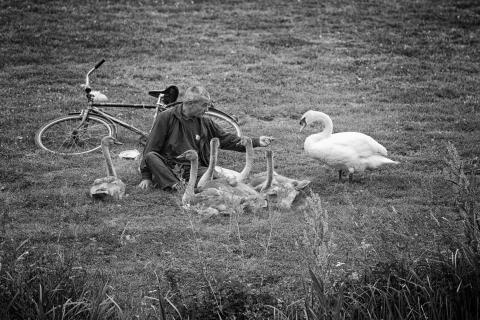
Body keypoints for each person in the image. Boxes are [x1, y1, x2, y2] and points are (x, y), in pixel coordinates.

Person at [138, 85, 274, 191]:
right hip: (169, 166)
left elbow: (226, 139)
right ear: (190, 103)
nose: (207, 109)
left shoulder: (205, 122)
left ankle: (186, 186)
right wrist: (146, 177)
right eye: (204, 105)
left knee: (225, 182)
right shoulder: (166, 117)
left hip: (196, 168)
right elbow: (151, 147)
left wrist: (256, 141)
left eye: (208, 105)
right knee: (151, 157)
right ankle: (177, 187)